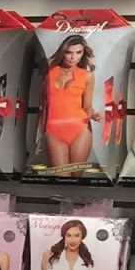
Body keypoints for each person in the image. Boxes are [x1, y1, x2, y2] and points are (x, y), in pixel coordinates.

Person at [41, 35, 95, 171]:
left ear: (83, 54)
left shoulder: (87, 76)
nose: (73, 57)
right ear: (63, 52)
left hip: (80, 128)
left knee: (76, 177)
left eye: (78, 52)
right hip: (53, 129)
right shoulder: (49, 73)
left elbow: (87, 106)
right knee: (61, 176)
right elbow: (44, 106)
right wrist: (41, 134)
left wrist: (94, 115)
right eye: (69, 52)